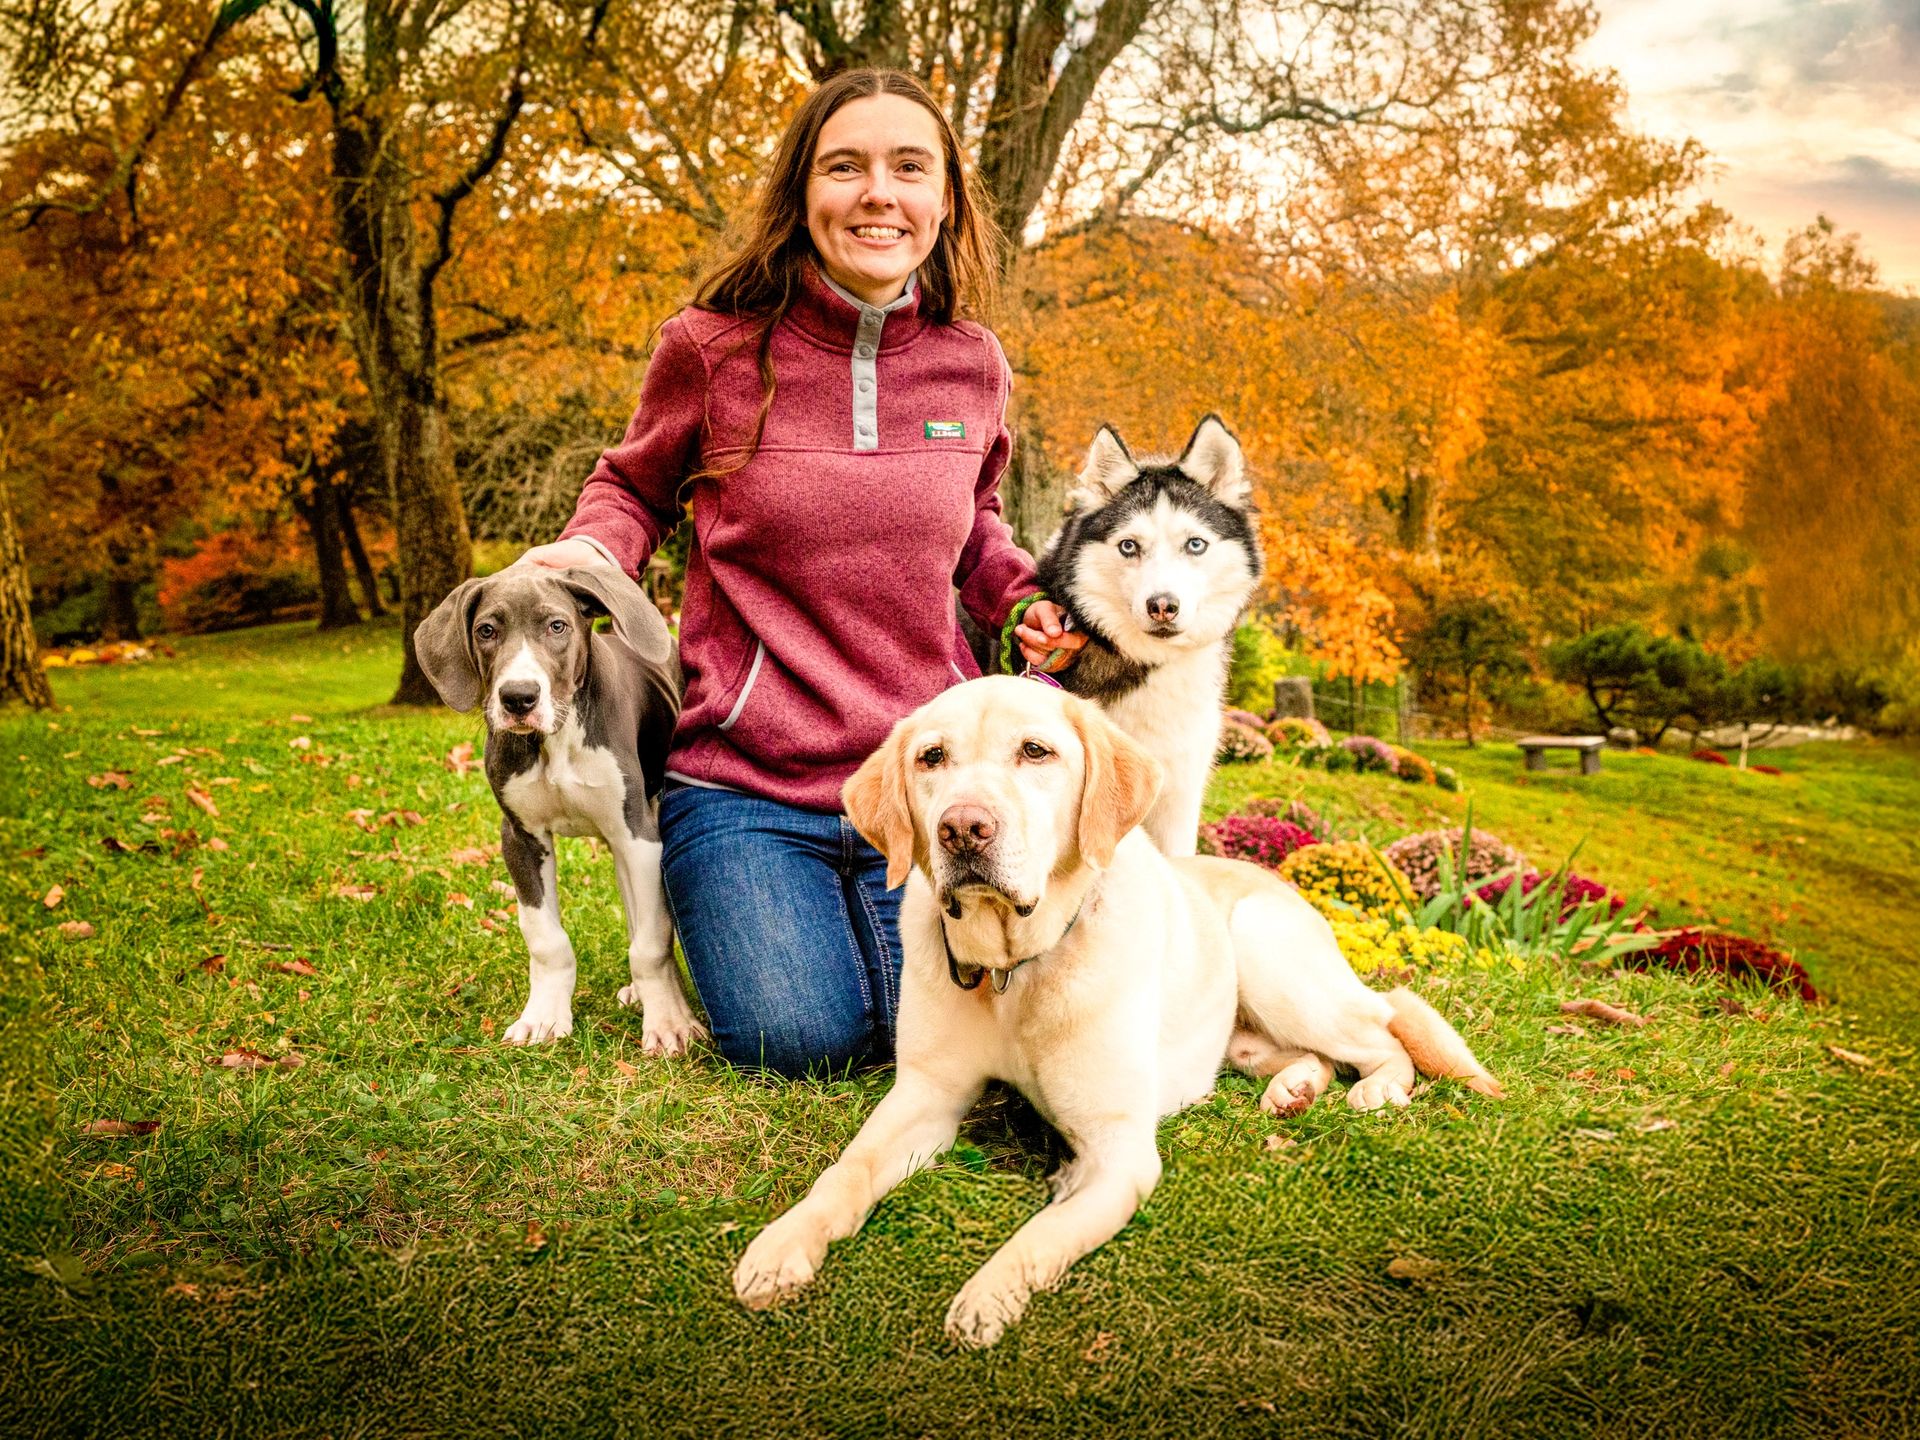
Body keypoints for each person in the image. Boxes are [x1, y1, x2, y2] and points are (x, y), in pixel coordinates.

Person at [517, 68, 1086, 1075]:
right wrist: (589, 556)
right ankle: (749, 916)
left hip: (923, 785)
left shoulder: (973, 363)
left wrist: (1024, 599)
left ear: (944, 196)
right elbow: (634, 486)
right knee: (802, 1039)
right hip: (744, 789)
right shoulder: (711, 349)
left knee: (949, 1037)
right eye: (846, 167)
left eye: (909, 167)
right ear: (803, 193)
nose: (879, 193)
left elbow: (977, 524)